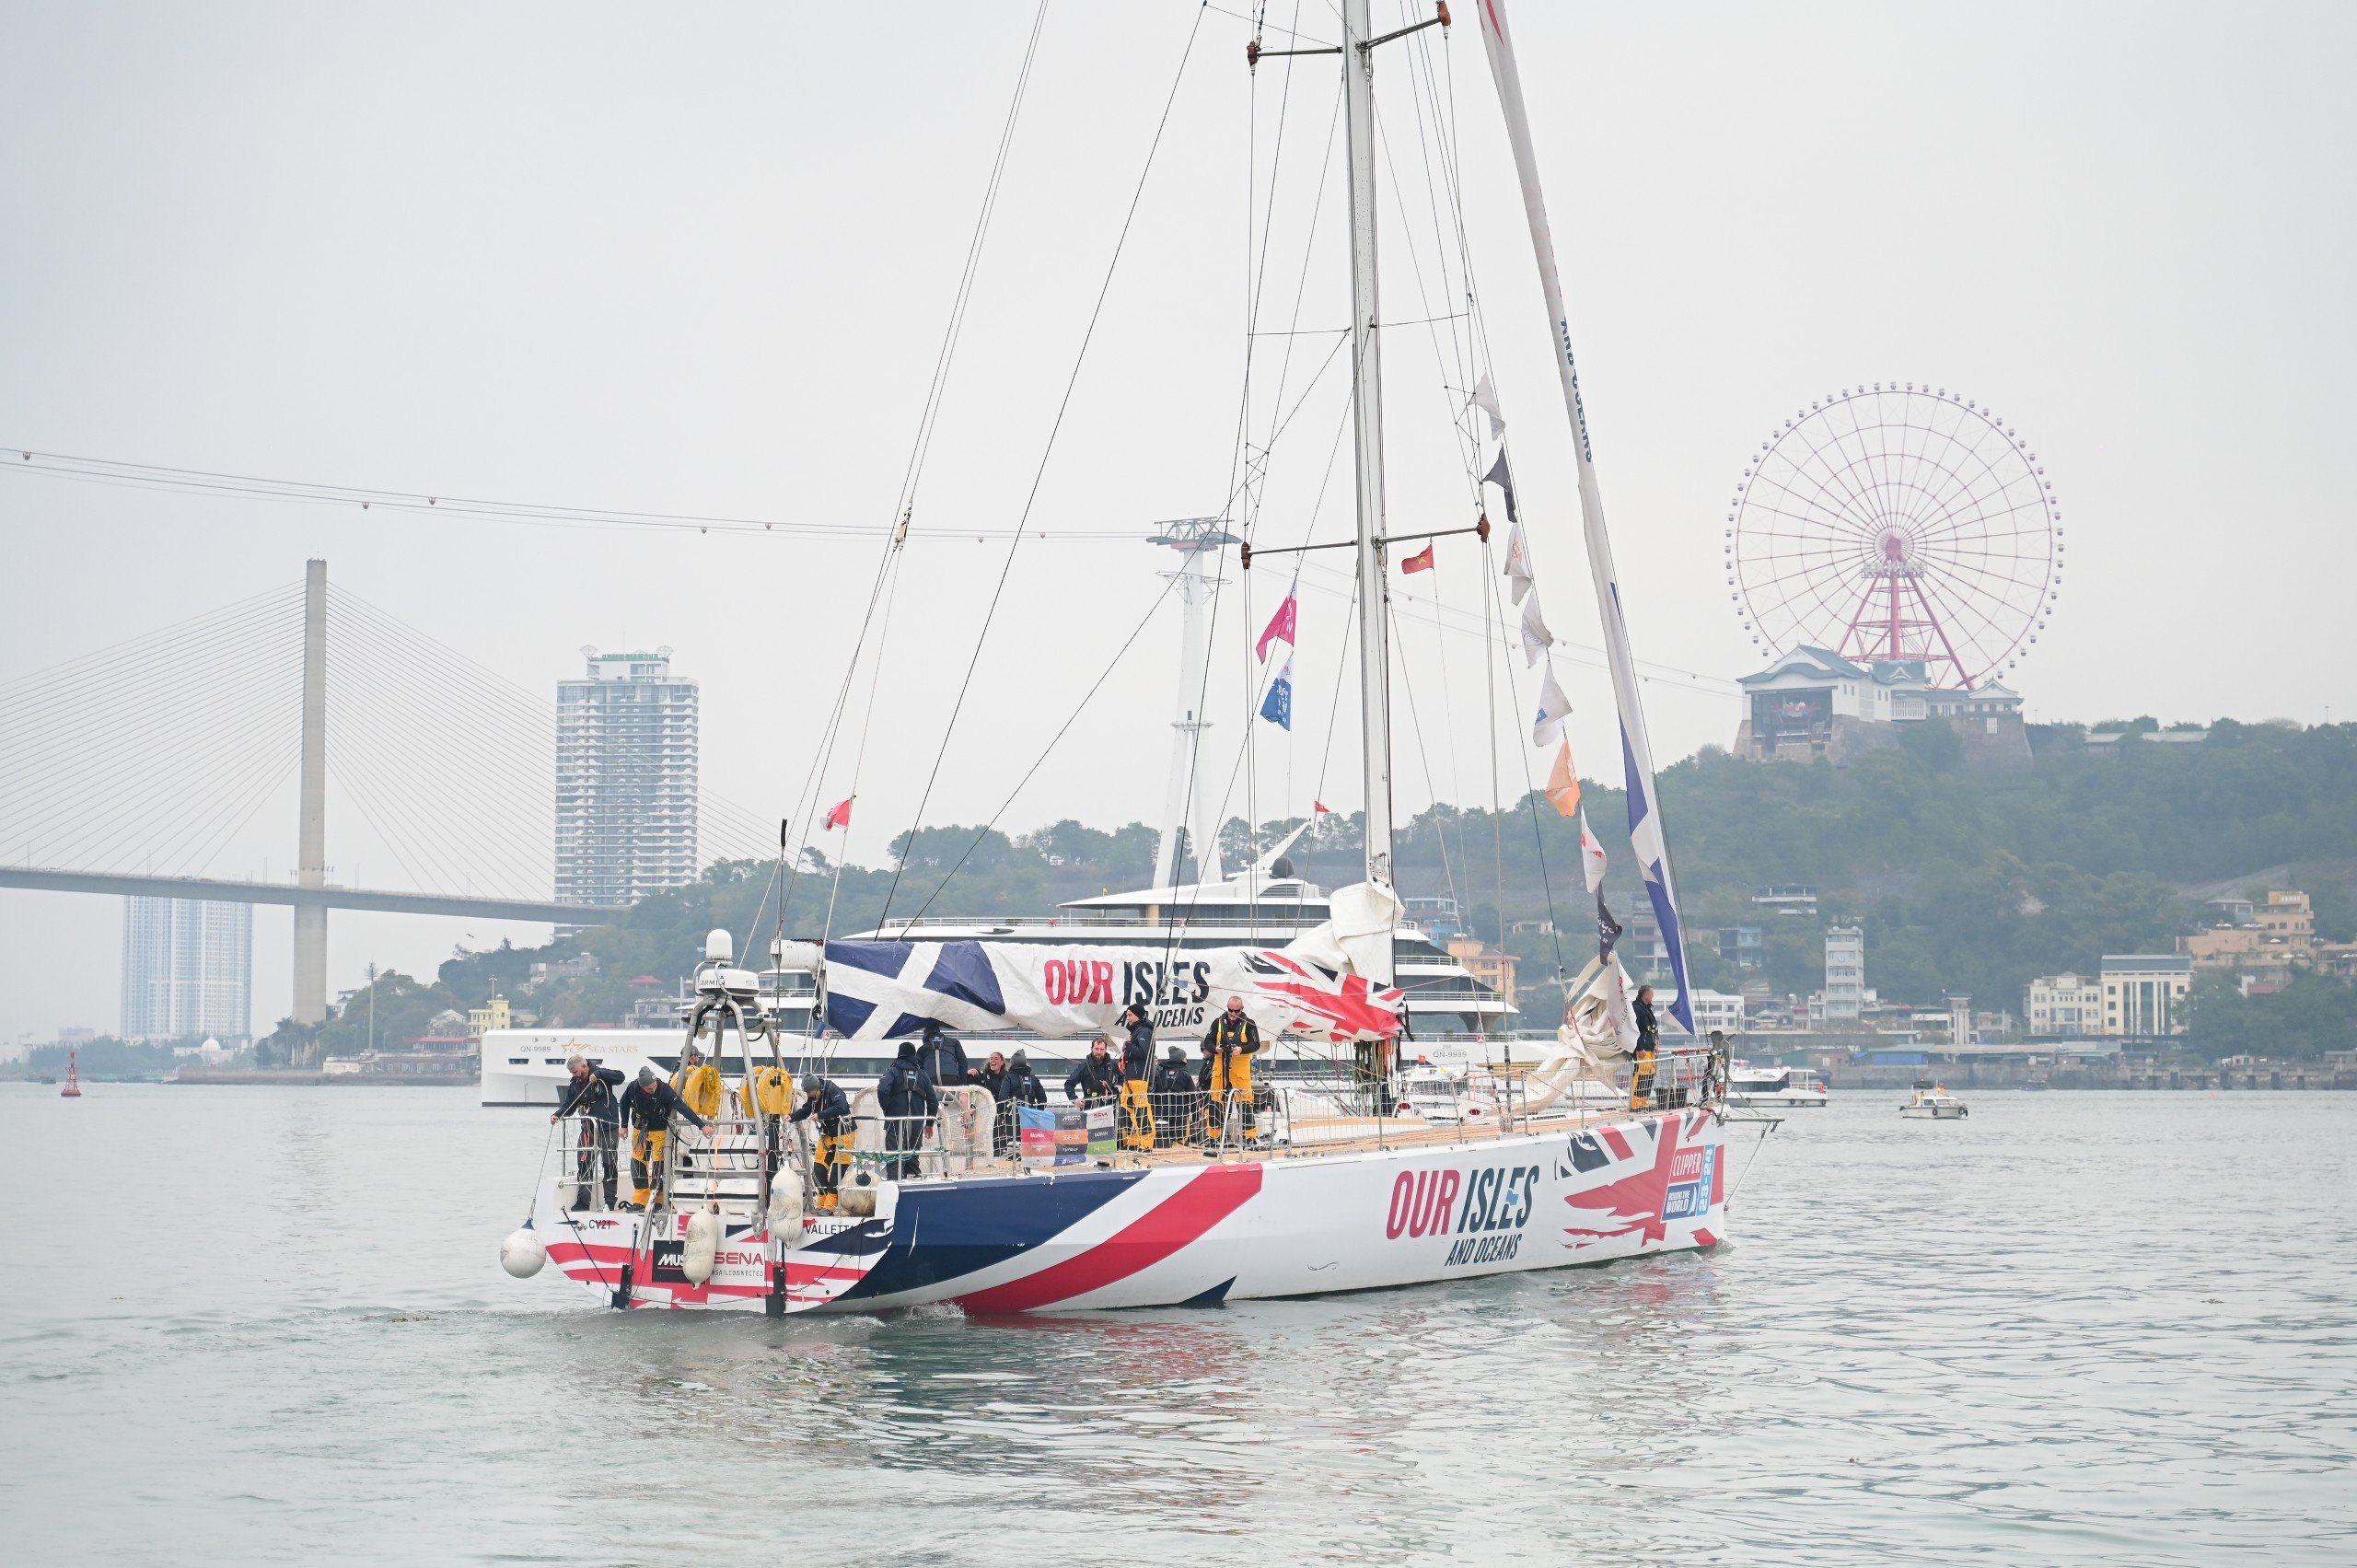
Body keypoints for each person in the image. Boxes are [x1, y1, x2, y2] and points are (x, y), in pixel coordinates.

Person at [617, 1064, 713, 1211]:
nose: (653, 1089)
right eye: (649, 1088)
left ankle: (658, 1199)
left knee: (659, 1165)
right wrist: (623, 1125)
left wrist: (701, 1125)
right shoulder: (633, 1088)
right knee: (637, 1163)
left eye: (654, 1086)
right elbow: (623, 1104)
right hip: (640, 1130)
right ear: (642, 1087)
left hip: (659, 1130)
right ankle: (640, 1200)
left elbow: (682, 1107)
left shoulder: (664, 1090)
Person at [551, 1053, 622, 1210]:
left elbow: (621, 1077)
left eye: (576, 1072)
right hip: (587, 1129)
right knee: (583, 1164)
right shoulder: (575, 1084)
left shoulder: (602, 1075)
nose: (574, 1075)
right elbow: (569, 1105)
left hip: (608, 1127)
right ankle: (583, 1202)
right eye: (572, 1073)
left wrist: (599, 1074)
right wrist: (557, 1114)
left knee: (609, 1163)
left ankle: (610, 1202)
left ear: (585, 1067)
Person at [1202, 994, 1263, 1145]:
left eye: (1237, 1011)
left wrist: (1241, 1049)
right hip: (1220, 1071)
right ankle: (1214, 1137)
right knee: (1215, 1102)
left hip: (1240, 1073)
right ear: (1227, 1008)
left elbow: (1256, 1044)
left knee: (1245, 1103)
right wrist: (1215, 1049)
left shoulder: (1249, 1024)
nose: (1233, 1015)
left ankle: (1249, 1136)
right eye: (1231, 1011)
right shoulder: (1218, 1023)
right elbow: (1208, 1040)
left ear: (1242, 1009)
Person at [877, 1040, 939, 1179]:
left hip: (895, 1125)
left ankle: (896, 1193)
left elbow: (882, 1090)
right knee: (912, 1160)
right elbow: (933, 1101)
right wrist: (929, 1124)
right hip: (916, 1126)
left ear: (900, 1054)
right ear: (914, 1055)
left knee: (894, 1162)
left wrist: (887, 1110)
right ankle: (914, 1193)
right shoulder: (922, 1075)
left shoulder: (892, 1071)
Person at [790, 1075, 853, 1210]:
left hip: (844, 1134)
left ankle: (831, 1204)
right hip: (827, 1135)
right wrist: (792, 1117)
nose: (808, 1095)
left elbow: (841, 1108)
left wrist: (820, 1115)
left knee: (837, 1170)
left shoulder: (833, 1090)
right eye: (807, 1093)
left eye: (809, 1092)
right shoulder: (813, 1098)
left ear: (817, 1088)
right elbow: (806, 1110)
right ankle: (822, 1199)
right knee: (818, 1169)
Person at [1116, 1005, 1157, 1151]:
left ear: (1138, 1016)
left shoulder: (1144, 1031)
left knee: (1141, 1110)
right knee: (1127, 1109)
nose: (1127, 1018)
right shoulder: (1137, 1032)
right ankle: (1133, 1141)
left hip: (1139, 1076)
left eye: (1130, 1015)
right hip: (1130, 1076)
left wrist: (1128, 1044)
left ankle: (1146, 1144)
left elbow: (1143, 1053)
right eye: (1127, 1015)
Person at [1151, 1044, 1200, 1148]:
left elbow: (1156, 1094)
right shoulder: (1185, 1074)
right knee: (1180, 1141)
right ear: (1181, 1059)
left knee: (1164, 1140)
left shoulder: (1161, 1072)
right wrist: (1195, 1116)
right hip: (1181, 1113)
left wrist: (1157, 1112)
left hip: (1163, 1113)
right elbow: (1192, 1097)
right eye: (1185, 1057)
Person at [916, 1021, 975, 1094]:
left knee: (934, 1103)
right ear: (938, 1031)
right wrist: (962, 1084)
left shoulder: (922, 1049)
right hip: (950, 1078)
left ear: (925, 1034)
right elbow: (962, 1061)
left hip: (931, 1080)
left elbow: (919, 1070)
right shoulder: (953, 1042)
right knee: (952, 1102)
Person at [670, 1043, 724, 1121]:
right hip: (683, 1111)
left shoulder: (677, 1069)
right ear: (692, 1057)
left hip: (675, 1109)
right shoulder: (689, 1071)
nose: (698, 1059)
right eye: (697, 1056)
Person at [1064, 1037, 1121, 1105]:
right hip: (1091, 1107)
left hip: (1111, 1105)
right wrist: (1075, 1099)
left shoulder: (1113, 1064)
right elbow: (1069, 1084)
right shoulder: (1084, 1066)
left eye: (1102, 1049)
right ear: (1092, 1049)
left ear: (1106, 1050)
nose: (1099, 1052)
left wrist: (1120, 1085)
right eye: (1096, 1049)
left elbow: (1123, 1077)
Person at [1630, 984, 1660, 1112]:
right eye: (1652, 994)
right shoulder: (1637, 1008)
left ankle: (1643, 1101)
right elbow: (1634, 1029)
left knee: (1649, 1076)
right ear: (1646, 995)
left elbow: (1652, 1029)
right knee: (1640, 1075)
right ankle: (1635, 1103)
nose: (1653, 997)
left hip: (1650, 1048)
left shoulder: (1647, 1009)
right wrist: (1639, 1047)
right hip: (1642, 1049)